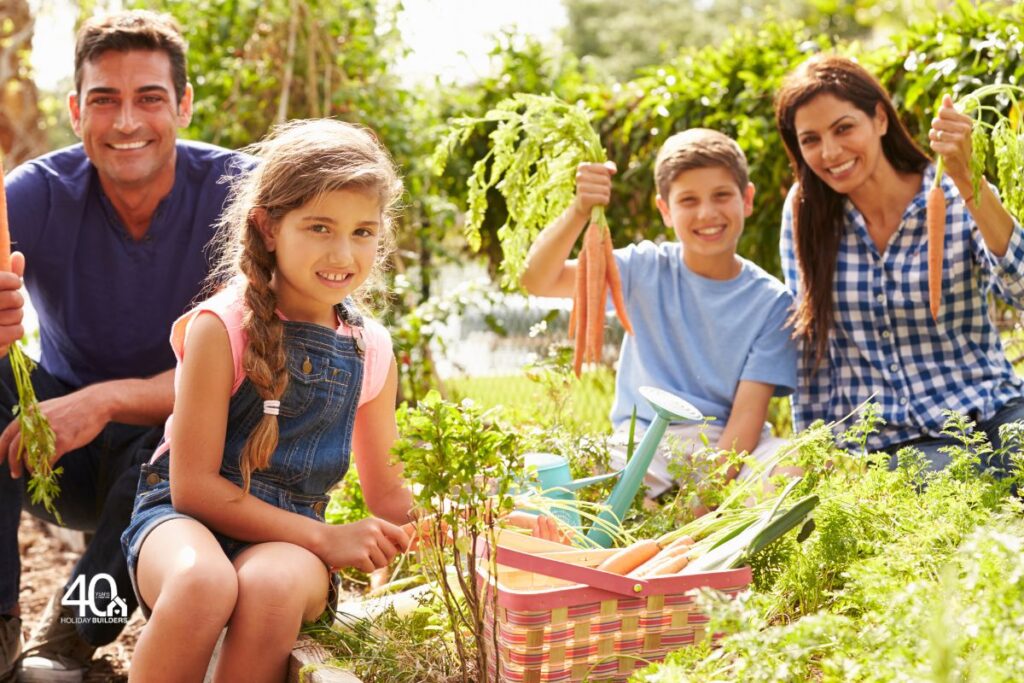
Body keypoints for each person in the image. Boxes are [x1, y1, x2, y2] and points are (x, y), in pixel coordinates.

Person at [0, 11, 251, 682]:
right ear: (77, 110)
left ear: (185, 105)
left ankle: (68, 641)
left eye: (150, 98)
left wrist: (108, 400)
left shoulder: (240, 194)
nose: (126, 122)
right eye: (105, 100)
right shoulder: (34, 194)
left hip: (181, 455)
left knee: (203, 424)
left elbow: (257, 358)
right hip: (54, 451)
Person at [119, 118, 417, 682]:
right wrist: (326, 539)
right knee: (202, 583)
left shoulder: (369, 348)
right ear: (269, 226)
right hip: (183, 521)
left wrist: (476, 520)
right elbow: (195, 488)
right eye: (320, 227)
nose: (343, 252)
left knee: (273, 588)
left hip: (291, 543)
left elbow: (389, 496)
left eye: (363, 232)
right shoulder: (222, 326)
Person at [521, 128, 799, 502]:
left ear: (746, 199)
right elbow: (539, 280)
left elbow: (747, 418)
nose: (707, 213)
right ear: (665, 210)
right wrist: (579, 211)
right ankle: (645, 514)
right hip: (640, 443)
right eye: (688, 200)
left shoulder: (771, 301)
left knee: (795, 466)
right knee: (551, 480)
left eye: (721, 195)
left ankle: (677, 522)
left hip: (726, 445)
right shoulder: (643, 268)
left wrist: (703, 500)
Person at [775, 55, 1024, 469]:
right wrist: (815, 457)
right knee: (955, 485)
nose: (830, 152)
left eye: (843, 128)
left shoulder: (953, 189)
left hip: (994, 411)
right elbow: (811, 348)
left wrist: (969, 183)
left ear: (880, 120)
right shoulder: (805, 213)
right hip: (896, 445)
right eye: (811, 139)